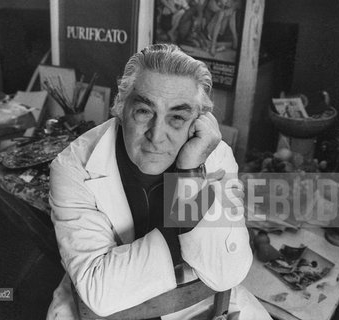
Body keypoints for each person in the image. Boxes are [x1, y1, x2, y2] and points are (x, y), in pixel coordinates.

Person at [46, 44, 270, 320]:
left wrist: (189, 173)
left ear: (198, 122)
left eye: (177, 117)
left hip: (200, 304)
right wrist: (187, 232)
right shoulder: (72, 167)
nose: (157, 135)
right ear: (120, 107)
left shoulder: (216, 156)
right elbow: (100, 292)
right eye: (144, 111)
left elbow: (227, 272)